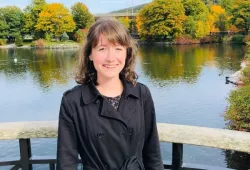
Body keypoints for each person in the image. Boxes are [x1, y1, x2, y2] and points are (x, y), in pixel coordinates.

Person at [56, 18, 164, 170]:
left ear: (127, 53)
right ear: (90, 54)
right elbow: (66, 162)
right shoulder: (73, 101)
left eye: (118, 48)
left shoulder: (141, 93)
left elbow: (152, 152)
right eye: (102, 49)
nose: (111, 58)